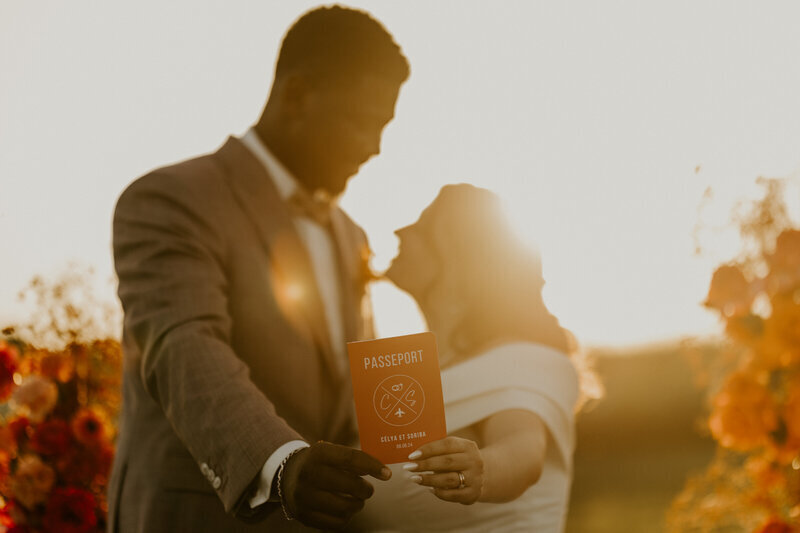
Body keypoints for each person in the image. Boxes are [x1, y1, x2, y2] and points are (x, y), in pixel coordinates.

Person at [108, 6, 409, 532]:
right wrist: (282, 464)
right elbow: (185, 345)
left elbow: (354, 398)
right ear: (296, 96)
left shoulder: (350, 235)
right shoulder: (171, 199)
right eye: (362, 121)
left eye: (384, 127)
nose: (376, 148)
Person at [349, 184, 584, 532]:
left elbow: (523, 450)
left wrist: (481, 470)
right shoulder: (413, 370)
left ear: (458, 254)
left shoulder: (525, 360)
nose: (401, 231)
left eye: (421, 224)